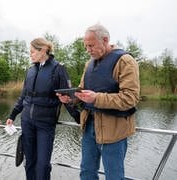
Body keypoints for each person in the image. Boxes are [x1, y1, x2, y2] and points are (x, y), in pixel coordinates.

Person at [57, 24, 140, 179]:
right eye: (86, 46)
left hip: (114, 129)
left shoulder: (125, 61)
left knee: (114, 176)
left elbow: (131, 98)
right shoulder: (89, 64)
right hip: (89, 126)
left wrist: (96, 98)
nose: (88, 50)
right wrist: (71, 98)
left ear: (105, 40)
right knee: (86, 172)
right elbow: (82, 91)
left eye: (91, 45)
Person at [6, 37, 71, 180]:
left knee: (42, 165)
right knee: (29, 162)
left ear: (43, 50)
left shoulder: (58, 69)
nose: (30, 54)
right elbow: (23, 96)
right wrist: (12, 115)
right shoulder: (30, 70)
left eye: (32, 51)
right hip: (27, 122)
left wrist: (80, 119)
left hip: (45, 124)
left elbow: (68, 99)